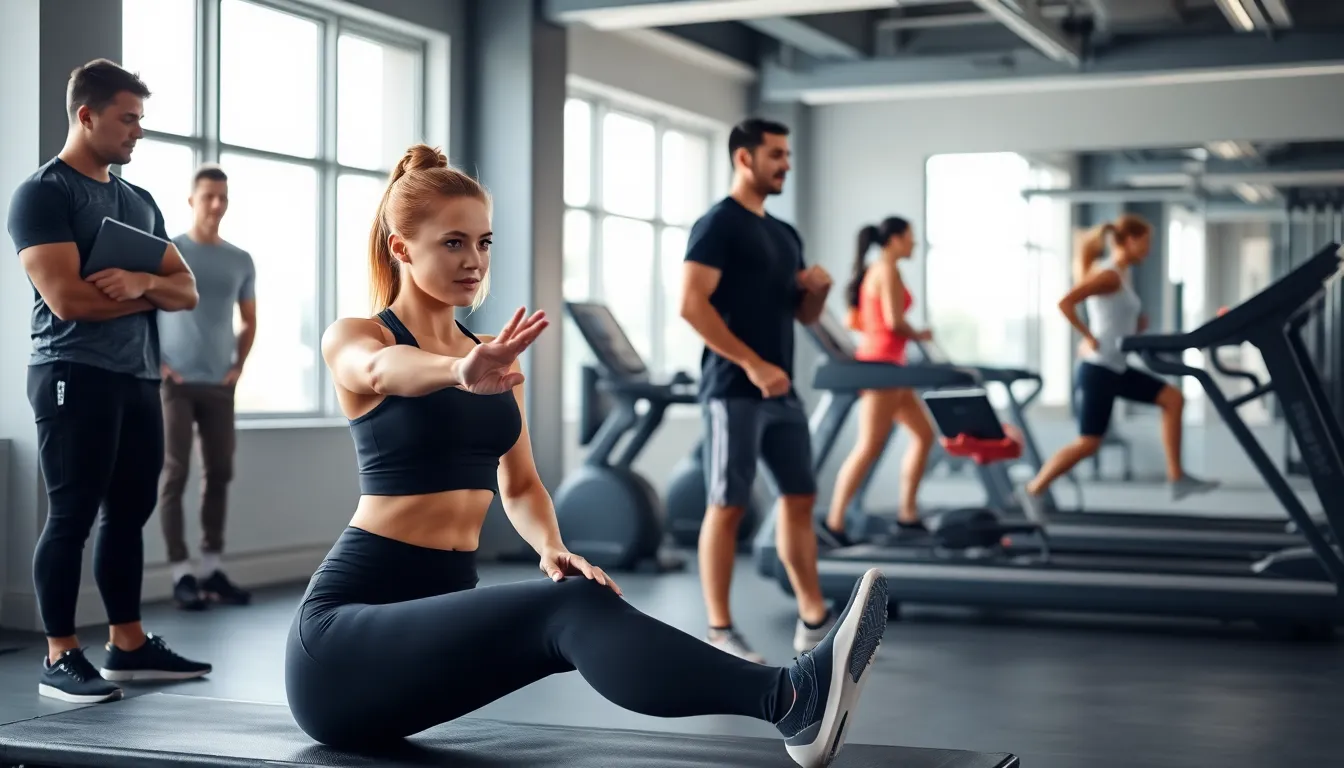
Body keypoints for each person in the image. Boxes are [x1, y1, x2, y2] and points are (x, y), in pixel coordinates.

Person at [282, 144, 889, 768]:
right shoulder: (360, 337)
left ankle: (794, 704)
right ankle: (790, 699)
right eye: (453, 243)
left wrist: (550, 547)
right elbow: (382, 372)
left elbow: (519, 485)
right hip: (343, 644)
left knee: (577, 602)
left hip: (427, 626)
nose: (474, 261)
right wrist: (458, 370)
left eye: (485, 242)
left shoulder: (491, 353)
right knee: (573, 608)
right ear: (401, 248)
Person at [5, 58, 214, 704]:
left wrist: (145, 283)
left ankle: (127, 643)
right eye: (128, 119)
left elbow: (188, 288)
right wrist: (153, 297)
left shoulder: (138, 201)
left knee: (129, 512)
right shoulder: (44, 194)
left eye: (141, 121)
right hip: (71, 372)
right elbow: (68, 300)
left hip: (135, 377)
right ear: (86, 115)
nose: (137, 133)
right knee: (71, 516)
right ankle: (60, 655)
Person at [679, 118, 835, 662]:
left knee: (800, 498)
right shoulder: (717, 224)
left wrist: (816, 292)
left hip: (781, 392)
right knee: (729, 504)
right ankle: (719, 630)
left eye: (788, 155)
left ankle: (814, 619)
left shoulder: (785, 234)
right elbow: (691, 304)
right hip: (734, 390)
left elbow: (804, 316)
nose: (786, 164)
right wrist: (751, 364)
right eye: (776, 155)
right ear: (744, 159)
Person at [1018, 214, 1219, 516]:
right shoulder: (1110, 275)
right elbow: (1066, 302)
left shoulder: (1122, 277)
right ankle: (1033, 489)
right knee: (1088, 443)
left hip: (1116, 368)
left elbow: (1111, 320)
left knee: (1173, 399)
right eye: (1146, 242)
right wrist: (1089, 337)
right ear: (1129, 241)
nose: (1148, 249)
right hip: (1098, 369)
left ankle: (1176, 477)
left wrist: (1135, 328)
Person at [157, 163, 257, 611]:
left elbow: (249, 321)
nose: (216, 204)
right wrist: (159, 366)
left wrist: (237, 367)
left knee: (220, 472)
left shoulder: (240, 259)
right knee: (175, 472)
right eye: (208, 196)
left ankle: (211, 569)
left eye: (223, 197)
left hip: (219, 384)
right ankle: (181, 574)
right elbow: (146, 310)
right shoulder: (170, 251)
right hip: (175, 382)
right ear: (192, 200)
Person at [823, 217, 936, 547]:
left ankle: (908, 515)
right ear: (896, 239)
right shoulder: (884, 270)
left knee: (924, 434)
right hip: (879, 367)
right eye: (911, 238)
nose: (914, 243)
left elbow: (864, 319)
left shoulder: (887, 269)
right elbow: (894, 321)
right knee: (869, 445)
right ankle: (834, 522)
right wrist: (921, 334)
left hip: (893, 367)